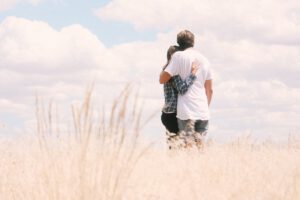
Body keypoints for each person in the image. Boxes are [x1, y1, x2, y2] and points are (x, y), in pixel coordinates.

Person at [160, 30, 213, 148]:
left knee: (183, 147)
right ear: (193, 42)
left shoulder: (178, 58)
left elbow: (162, 79)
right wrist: (205, 106)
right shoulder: (205, 60)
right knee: (200, 146)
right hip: (202, 110)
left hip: (184, 111)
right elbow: (210, 90)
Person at [161, 45, 199, 149]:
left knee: (173, 147)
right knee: (181, 147)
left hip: (167, 114)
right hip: (174, 114)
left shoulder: (166, 71)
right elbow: (182, 89)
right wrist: (193, 74)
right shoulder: (174, 72)